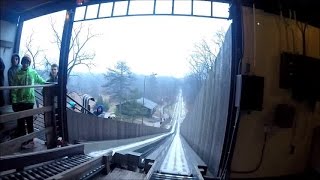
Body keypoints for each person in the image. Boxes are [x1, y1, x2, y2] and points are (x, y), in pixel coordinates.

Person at [11, 55, 46, 148]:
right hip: (20, 101)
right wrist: (14, 102)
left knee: (29, 121)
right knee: (21, 121)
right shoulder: (17, 73)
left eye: (27, 62)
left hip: (29, 101)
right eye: (24, 62)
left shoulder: (32, 72)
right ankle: (22, 140)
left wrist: (47, 83)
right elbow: (14, 89)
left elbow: (39, 79)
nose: (26, 64)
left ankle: (31, 140)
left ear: (29, 63)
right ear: (22, 63)